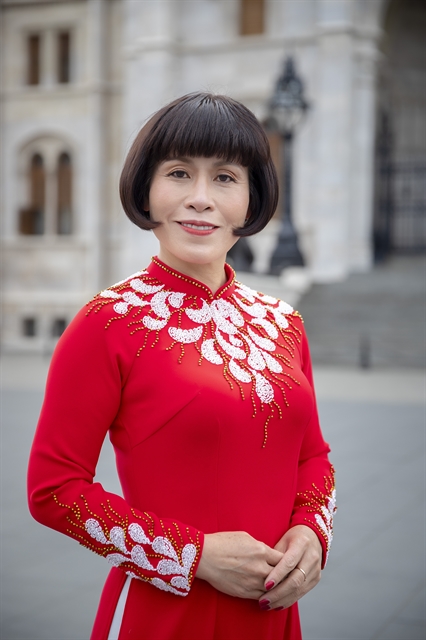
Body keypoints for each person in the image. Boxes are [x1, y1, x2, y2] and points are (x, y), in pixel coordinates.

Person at [28, 92, 336, 640]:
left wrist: (313, 533)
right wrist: (193, 555)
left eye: (225, 178)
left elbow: (312, 455)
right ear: (146, 188)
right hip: (165, 613)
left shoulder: (283, 322)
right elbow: (54, 489)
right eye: (178, 173)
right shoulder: (107, 322)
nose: (200, 198)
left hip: (272, 613)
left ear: (251, 198)